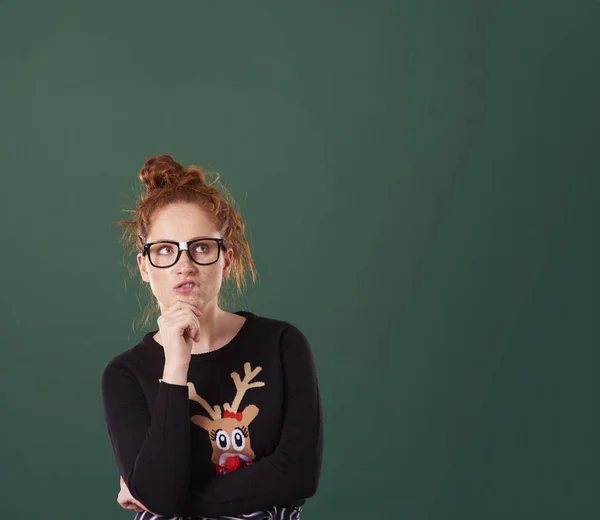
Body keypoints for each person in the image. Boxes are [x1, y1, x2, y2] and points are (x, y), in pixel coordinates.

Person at [100, 155, 323, 520]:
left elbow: (298, 475)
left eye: (201, 247)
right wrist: (176, 365)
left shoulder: (282, 344)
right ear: (144, 266)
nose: (183, 265)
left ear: (226, 259)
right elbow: (159, 491)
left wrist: (170, 503)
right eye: (165, 250)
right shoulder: (125, 375)